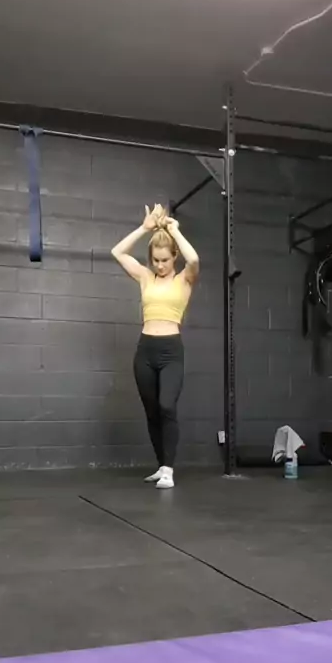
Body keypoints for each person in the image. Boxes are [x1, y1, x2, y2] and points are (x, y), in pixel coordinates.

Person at [111, 204, 199, 489]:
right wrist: (144, 228)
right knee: (152, 412)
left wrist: (174, 230)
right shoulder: (146, 277)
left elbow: (194, 258)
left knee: (166, 406)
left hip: (171, 351)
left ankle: (169, 471)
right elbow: (117, 252)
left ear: (174, 257)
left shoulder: (185, 279)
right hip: (145, 350)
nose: (160, 265)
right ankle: (161, 466)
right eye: (156, 260)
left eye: (165, 260)